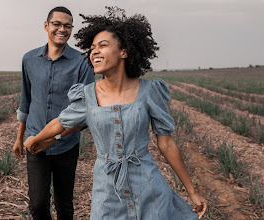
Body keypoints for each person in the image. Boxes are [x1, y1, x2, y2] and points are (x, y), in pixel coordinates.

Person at [24, 6, 207, 220]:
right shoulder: (87, 95)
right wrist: (35, 140)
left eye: (103, 46)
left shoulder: (149, 91)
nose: (94, 52)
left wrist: (192, 192)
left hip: (147, 186)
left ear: (124, 52)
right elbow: (60, 123)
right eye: (92, 48)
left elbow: (166, 144)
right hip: (107, 193)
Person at [13, 6, 95, 220]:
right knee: (38, 205)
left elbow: (84, 114)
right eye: (57, 24)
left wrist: (55, 137)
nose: (62, 29)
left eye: (67, 26)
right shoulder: (29, 59)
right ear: (46, 26)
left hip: (66, 145)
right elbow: (26, 100)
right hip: (34, 142)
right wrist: (19, 137)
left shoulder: (82, 63)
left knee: (64, 205)